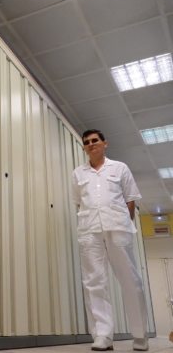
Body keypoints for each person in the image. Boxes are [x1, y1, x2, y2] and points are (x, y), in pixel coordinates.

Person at [72, 129, 149, 351]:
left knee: (130, 280)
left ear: (104, 143)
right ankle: (103, 335)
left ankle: (140, 335)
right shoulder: (78, 173)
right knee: (93, 283)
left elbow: (130, 199)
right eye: (87, 142)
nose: (91, 144)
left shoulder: (120, 167)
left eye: (95, 140)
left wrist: (124, 223)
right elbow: (79, 203)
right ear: (84, 147)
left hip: (118, 229)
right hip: (90, 232)